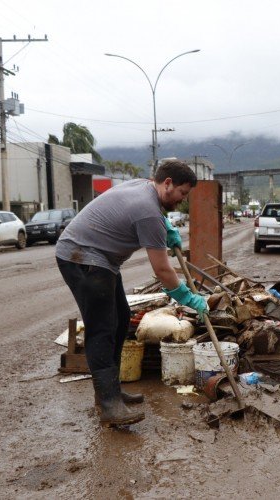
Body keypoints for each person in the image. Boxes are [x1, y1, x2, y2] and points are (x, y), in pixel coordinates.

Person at [55, 159, 208, 428]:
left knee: (121, 318)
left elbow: (151, 217)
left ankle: (110, 392)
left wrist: (167, 229)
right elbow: (162, 269)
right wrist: (187, 298)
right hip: (81, 257)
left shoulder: (146, 188)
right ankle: (109, 404)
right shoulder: (148, 212)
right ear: (168, 183)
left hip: (98, 257)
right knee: (102, 328)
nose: (182, 201)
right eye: (182, 194)